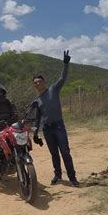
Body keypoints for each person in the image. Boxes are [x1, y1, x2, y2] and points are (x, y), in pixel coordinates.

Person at [32, 50, 79, 187]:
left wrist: (65, 64)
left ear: (44, 82)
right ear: (33, 85)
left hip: (58, 126)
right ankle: (57, 175)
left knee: (65, 152)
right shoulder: (37, 100)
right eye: (35, 82)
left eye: (39, 81)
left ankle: (72, 177)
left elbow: (62, 78)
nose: (37, 84)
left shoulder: (53, 89)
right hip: (47, 130)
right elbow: (37, 118)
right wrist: (35, 132)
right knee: (54, 154)